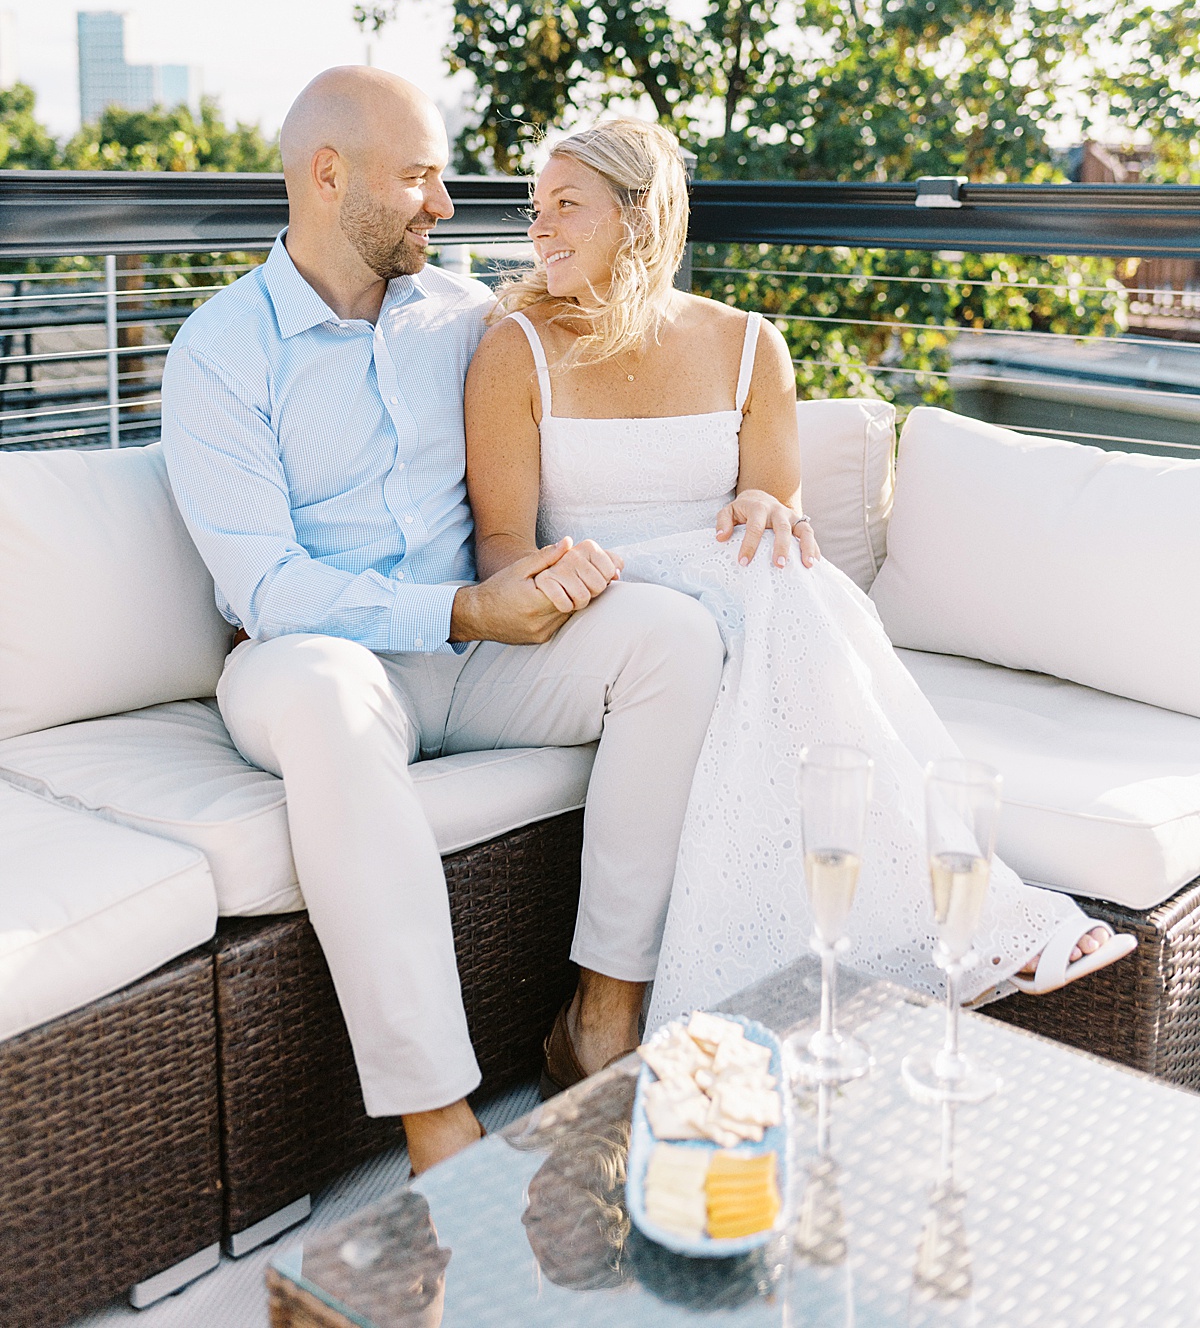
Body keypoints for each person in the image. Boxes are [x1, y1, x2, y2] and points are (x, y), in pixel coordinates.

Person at [159, 68, 726, 1172]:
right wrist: (464, 604)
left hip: (474, 659)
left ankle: (602, 1017)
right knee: (328, 689)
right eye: (420, 176)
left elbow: (620, 337)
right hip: (308, 663)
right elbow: (268, 586)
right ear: (330, 177)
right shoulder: (220, 352)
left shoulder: (470, 316)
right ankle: (440, 1129)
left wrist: (751, 478)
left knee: (672, 640)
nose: (447, 204)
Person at [465, 116, 1137, 1034]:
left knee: (786, 570)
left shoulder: (750, 346)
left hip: (726, 606)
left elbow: (771, 514)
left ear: (641, 214)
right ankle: (969, 913)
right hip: (600, 613)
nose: (538, 229)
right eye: (535, 209)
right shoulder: (515, 349)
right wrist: (564, 576)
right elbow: (501, 549)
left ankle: (812, 965)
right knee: (784, 590)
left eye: (566, 207)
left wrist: (770, 510)